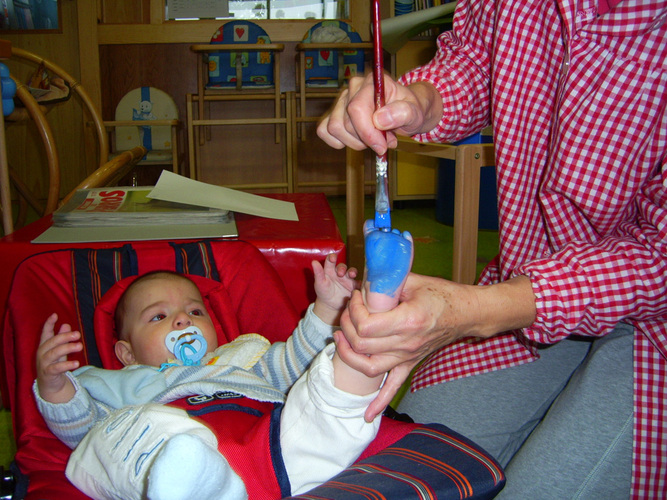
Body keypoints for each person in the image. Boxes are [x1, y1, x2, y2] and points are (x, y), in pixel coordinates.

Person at [317, 1, 666, 498]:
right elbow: (477, 62)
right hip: (538, 276)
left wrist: (475, 312)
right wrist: (418, 101)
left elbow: (660, 259)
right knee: (417, 449)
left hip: (655, 330)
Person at [32, 247, 412, 500]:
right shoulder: (121, 383)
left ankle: (363, 350)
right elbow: (83, 427)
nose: (183, 319)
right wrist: (54, 386)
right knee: (116, 440)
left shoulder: (241, 357)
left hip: (269, 446)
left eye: (195, 312)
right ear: (126, 353)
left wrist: (327, 310)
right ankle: (195, 481)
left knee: (320, 385)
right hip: (169, 438)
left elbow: (295, 359)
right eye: (159, 317)